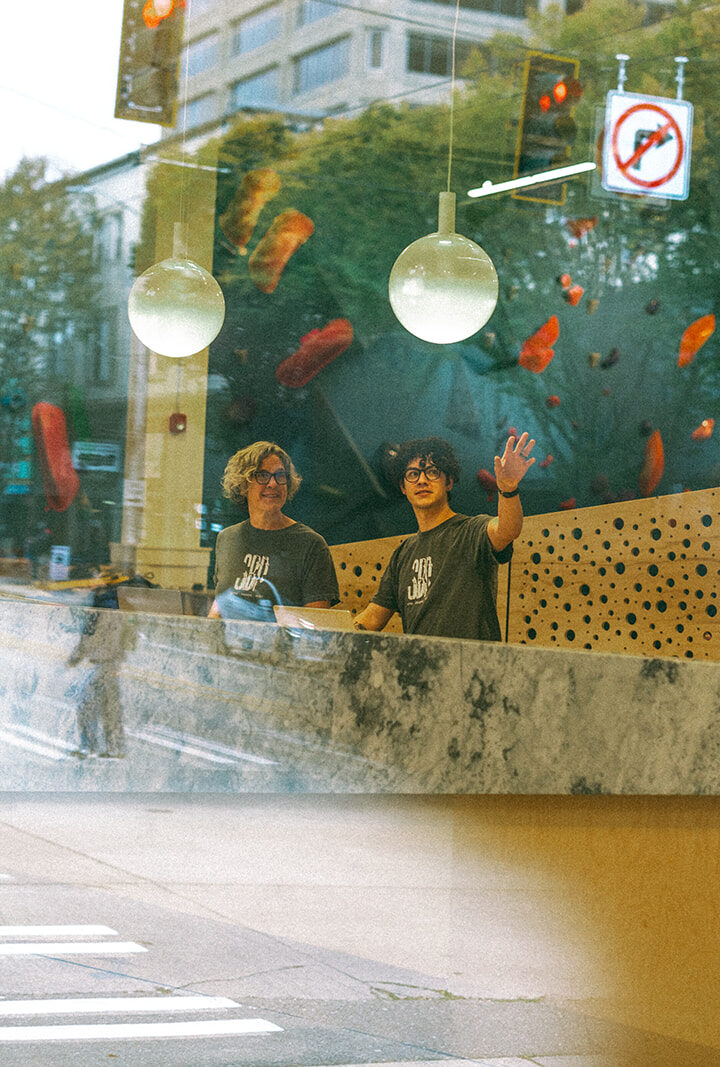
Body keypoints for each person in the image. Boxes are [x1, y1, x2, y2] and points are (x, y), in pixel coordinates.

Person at [354, 432, 535, 641]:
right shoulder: (402, 554)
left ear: (449, 482)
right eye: (413, 474)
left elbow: (507, 529)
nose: (422, 480)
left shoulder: (471, 531)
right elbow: (371, 619)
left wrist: (508, 488)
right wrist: (329, 635)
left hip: (473, 662)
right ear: (403, 487)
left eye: (432, 472)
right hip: (421, 662)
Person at [208, 441, 339, 618]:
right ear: (243, 484)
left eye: (280, 475)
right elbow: (220, 608)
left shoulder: (311, 544)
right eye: (262, 475)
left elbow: (316, 624)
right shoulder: (227, 538)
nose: (273, 483)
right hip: (230, 637)